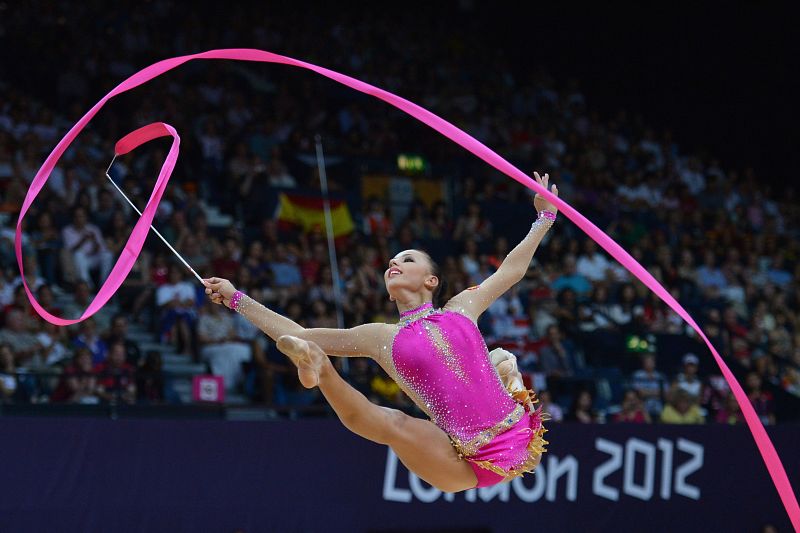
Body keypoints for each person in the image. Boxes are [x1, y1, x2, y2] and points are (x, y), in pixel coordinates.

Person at [204, 172, 558, 492]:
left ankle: (505, 370)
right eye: (392, 261)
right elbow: (299, 331)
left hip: (521, 436)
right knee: (393, 424)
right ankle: (320, 369)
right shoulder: (380, 337)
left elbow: (511, 270)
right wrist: (237, 299)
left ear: (431, 280)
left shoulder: (462, 309)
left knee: (501, 358)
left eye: (406, 259)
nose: (393, 262)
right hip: (463, 464)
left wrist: (544, 217)